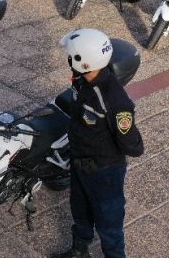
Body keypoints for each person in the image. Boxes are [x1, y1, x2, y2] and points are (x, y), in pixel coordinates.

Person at [52, 28, 144, 258]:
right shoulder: (82, 80)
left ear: (83, 62)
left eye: (71, 56)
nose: (68, 59)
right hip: (80, 160)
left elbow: (132, 145)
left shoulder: (114, 100)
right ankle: (80, 250)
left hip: (105, 171)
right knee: (80, 209)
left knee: (108, 222)